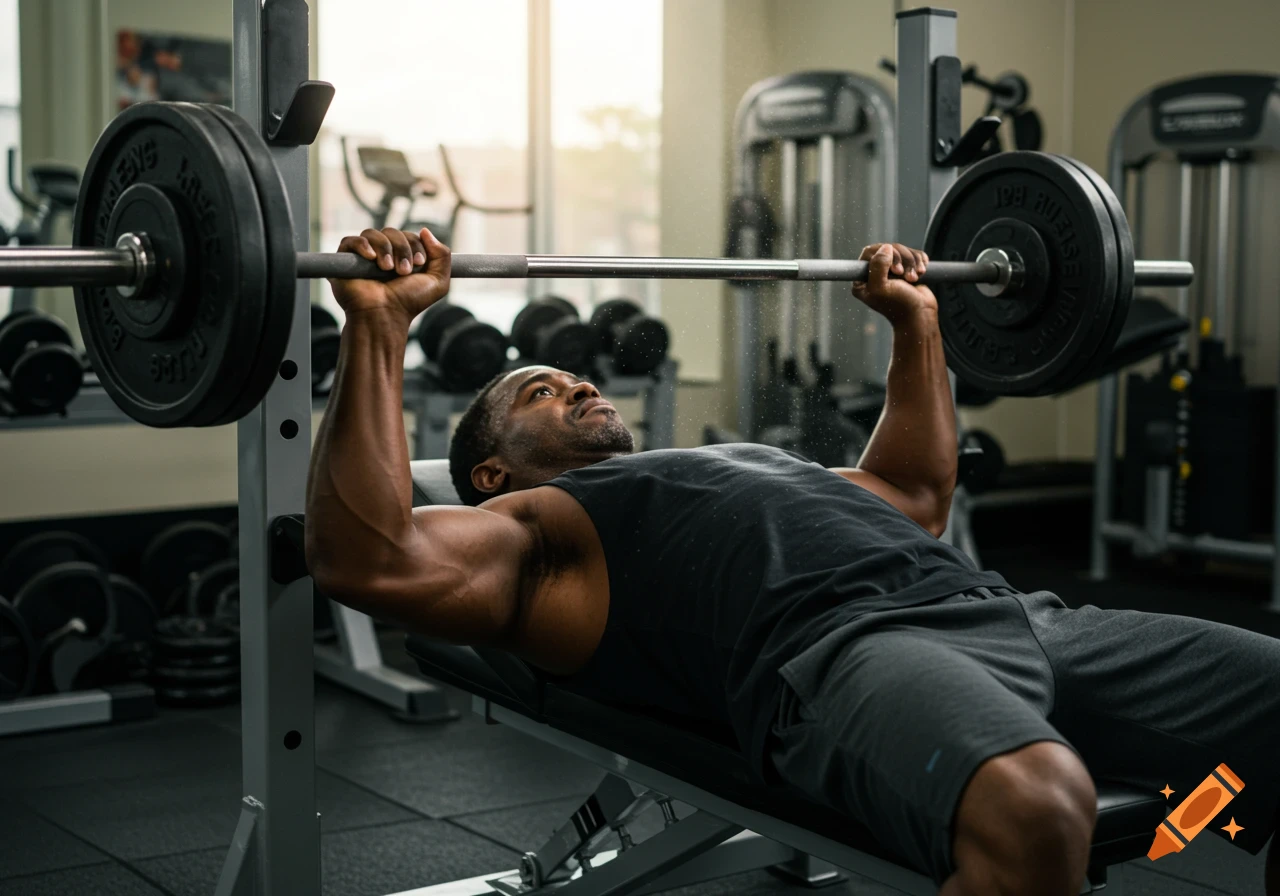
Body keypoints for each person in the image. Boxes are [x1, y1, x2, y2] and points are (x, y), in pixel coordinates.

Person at [306, 227, 1280, 896]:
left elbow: (910, 490)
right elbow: (371, 555)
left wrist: (915, 321)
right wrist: (379, 325)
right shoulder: (535, 527)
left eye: (574, 374)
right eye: (541, 391)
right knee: (1035, 806)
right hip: (842, 654)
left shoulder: (734, 461)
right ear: (488, 469)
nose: (578, 380)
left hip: (1013, 612)